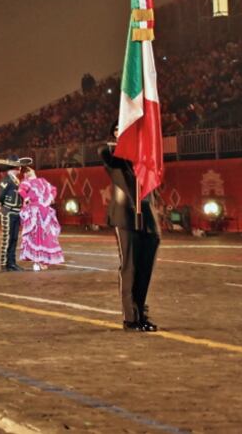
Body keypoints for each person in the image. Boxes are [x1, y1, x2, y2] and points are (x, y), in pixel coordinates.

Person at [100, 124, 161, 332]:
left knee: (145, 267)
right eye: (119, 128)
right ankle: (130, 316)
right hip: (125, 213)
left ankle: (141, 313)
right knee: (130, 265)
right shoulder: (108, 150)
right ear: (114, 133)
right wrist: (129, 145)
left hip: (147, 213)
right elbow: (113, 160)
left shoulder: (144, 151)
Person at [17, 169, 64, 270]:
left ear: (26, 174)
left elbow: (21, 190)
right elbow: (54, 190)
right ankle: (43, 261)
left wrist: (26, 198)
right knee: (46, 236)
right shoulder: (43, 181)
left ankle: (37, 261)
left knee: (35, 236)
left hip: (35, 212)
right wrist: (50, 198)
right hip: (45, 211)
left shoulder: (27, 182)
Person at [0, 156, 31, 271]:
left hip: (16, 212)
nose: (20, 168)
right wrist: (3, 207)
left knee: (14, 238)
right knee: (7, 238)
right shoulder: (6, 180)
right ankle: (4, 263)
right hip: (8, 212)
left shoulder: (16, 180)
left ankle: (11, 263)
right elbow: (0, 196)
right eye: (18, 166)